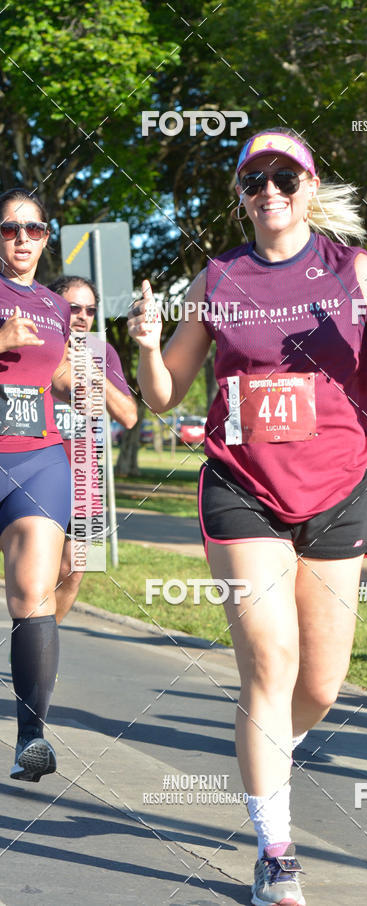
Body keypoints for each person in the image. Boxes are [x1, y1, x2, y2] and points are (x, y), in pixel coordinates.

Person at [128, 127, 367, 906]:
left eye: (284, 177)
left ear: (309, 186)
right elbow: (164, 395)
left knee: (321, 686)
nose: (269, 190)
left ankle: (272, 750)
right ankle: (275, 849)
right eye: (254, 179)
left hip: (336, 489)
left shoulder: (353, 268)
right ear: (240, 195)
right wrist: (141, 347)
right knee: (268, 665)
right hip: (241, 489)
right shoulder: (218, 276)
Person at [0, 187, 72, 782]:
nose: (22, 239)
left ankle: (31, 738)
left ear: (48, 236)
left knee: (32, 593)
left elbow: (62, 374)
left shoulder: (56, 306)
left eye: (34, 229)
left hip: (38, 458)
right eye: (9, 229)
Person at [48, 275, 137, 625]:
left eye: (90, 310)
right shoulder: (32, 346)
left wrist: (91, 371)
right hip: (33, 470)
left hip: (84, 480)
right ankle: (28, 645)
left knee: (73, 570)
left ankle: (42, 644)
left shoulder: (103, 353)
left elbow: (128, 416)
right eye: (73, 308)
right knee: (29, 569)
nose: (82, 316)